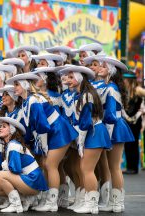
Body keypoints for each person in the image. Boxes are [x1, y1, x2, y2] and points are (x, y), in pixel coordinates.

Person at [6, 73, 78, 212]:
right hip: (52, 133)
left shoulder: (33, 100)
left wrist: (43, 145)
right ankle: (53, 199)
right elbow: (31, 127)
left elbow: (42, 125)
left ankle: (52, 202)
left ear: (25, 85)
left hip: (59, 131)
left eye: (16, 84)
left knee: (50, 164)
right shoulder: (27, 102)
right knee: (48, 164)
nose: (14, 88)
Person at [59, 65, 112, 214]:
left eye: (71, 77)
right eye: (67, 77)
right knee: (84, 169)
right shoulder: (80, 94)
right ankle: (88, 201)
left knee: (87, 169)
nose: (67, 80)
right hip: (90, 132)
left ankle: (92, 204)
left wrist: (80, 140)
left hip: (94, 132)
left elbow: (86, 121)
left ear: (80, 78)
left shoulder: (86, 95)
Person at [96, 56, 134, 213]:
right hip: (111, 128)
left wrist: (107, 134)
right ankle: (114, 201)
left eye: (103, 66)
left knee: (114, 167)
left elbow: (111, 114)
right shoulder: (107, 86)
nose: (99, 68)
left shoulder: (111, 88)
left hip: (115, 128)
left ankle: (117, 202)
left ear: (111, 70)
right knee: (113, 167)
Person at [0, 117, 48, 213]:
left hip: (33, 180)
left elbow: (15, 170)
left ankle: (16, 205)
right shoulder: (11, 144)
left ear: (12, 130)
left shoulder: (13, 145)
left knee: (0, 175)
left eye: (4, 126)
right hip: (29, 180)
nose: (0, 128)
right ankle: (25, 200)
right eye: (0, 126)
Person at [123, 71, 143, 174]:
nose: (124, 81)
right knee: (127, 144)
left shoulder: (137, 90)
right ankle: (129, 166)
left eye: (125, 80)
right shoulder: (127, 91)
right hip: (128, 121)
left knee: (133, 144)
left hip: (136, 121)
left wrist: (142, 109)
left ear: (130, 80)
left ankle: (134, 168)